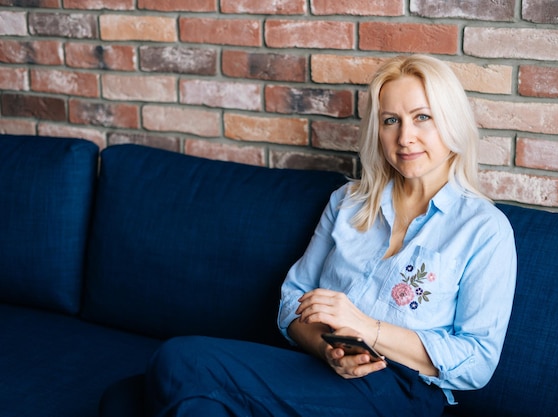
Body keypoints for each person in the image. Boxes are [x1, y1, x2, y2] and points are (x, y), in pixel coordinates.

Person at [144, 54, 517, 417]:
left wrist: (367, 329)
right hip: (322, 370)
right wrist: (329, 351)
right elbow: (292, 300)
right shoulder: (348, 202)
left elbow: (478, 362)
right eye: (391, 120)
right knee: (127, 399)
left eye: (423, 117)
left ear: (451, 122)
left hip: (402, 391)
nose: (405, 137)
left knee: (180, 361)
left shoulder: (484, 229)